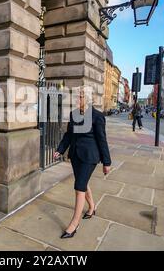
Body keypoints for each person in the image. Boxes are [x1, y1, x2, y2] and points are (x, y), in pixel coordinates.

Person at [53, 88, 111, 239]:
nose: (77, 99)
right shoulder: (73, 114)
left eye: (80, 97)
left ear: (88, 98)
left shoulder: (97, 117)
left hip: (89, 156)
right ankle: (92, 207)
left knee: (79, 187)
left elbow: (102, 140)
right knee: (82, 183)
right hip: (75, 156)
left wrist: (107, 162)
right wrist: (60, 150)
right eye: (76, 97)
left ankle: (74, 224)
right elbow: (68, 135)